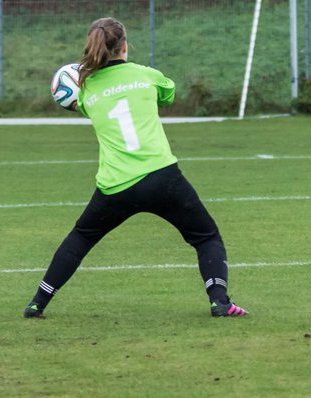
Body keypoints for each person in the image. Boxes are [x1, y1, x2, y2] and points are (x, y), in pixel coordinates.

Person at [24, 17, 247, 319]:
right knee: (206, 237)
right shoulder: (147, 75)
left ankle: (37, 303)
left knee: (80, 238)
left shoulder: (87, 91)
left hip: (116, 186)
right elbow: (168, 95)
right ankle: (220, 302)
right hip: (162, 178)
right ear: (125, 45)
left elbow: (78, 101)